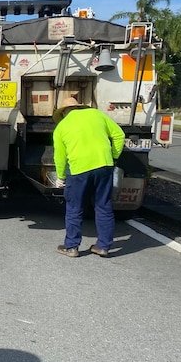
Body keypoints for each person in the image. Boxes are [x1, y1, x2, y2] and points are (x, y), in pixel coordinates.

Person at [52, 96, 124, 258]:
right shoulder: (97, 115)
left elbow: (60, 157)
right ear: (80, 107)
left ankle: (71, 247)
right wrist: (114, 156)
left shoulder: (61, 127)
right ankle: (103, 246)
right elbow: (119, 135)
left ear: (64, 112)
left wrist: (61, 177)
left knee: (74, 208)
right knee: (103, 206)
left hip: (78, 170)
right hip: (104, 166)